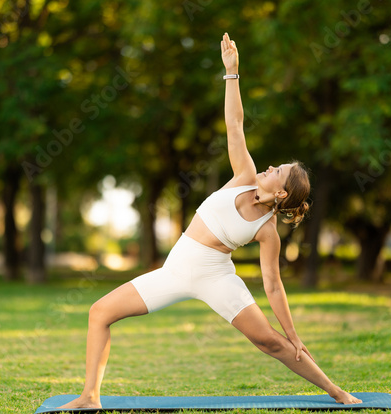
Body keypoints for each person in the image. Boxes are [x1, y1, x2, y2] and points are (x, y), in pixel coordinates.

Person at [59, 32, 362, 410]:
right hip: (173, 272)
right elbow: (235, 125)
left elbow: (273, 285)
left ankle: (335, 391)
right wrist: (231, 73)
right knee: (99, 312)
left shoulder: (267, 232)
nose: (269, 167)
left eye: (278, 171)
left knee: (270, 342)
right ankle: (90, 396)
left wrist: (293, 333)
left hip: (216, 278)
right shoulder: (244, 175)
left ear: (282, 193)